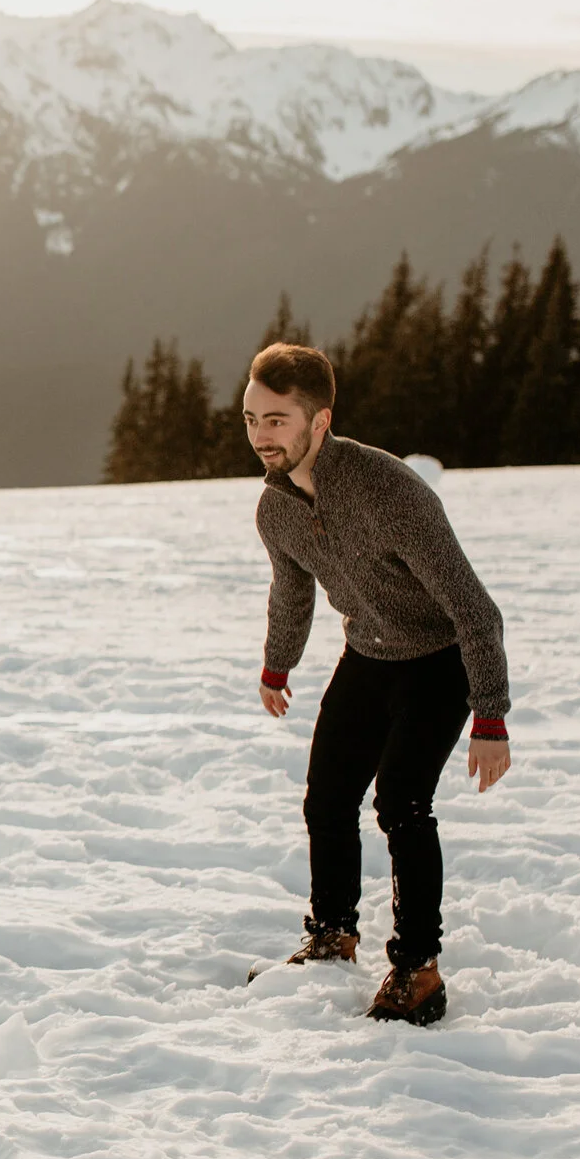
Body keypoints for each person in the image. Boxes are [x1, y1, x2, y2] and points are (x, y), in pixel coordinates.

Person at [242, 342, 511, 1025]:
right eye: (251, 418)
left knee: (401, 801)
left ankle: (419, 969)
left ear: (319, 420)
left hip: (437, 659)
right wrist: (278, 666)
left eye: (277, 419)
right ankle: (333, 934)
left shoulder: (390, 492)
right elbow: (292, 591)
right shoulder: (275, 509)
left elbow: (475, 609)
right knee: (327, 798)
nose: (260, 435)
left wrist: (489, 717)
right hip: (366, 653)